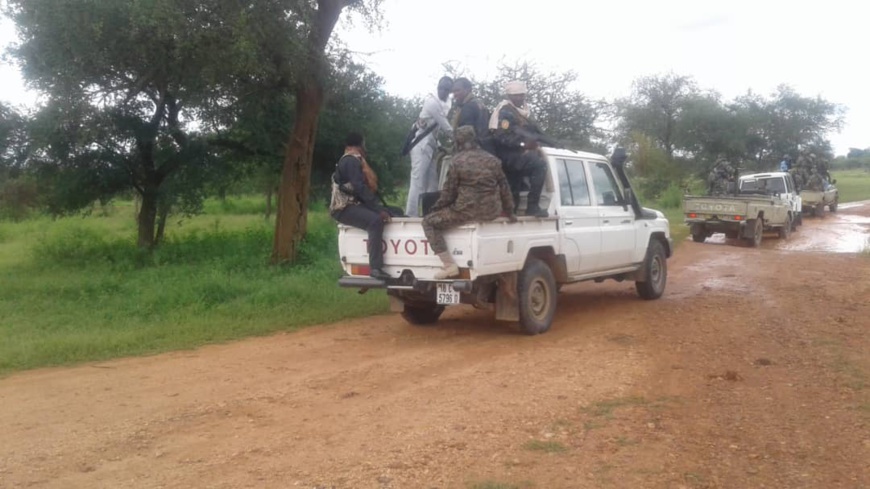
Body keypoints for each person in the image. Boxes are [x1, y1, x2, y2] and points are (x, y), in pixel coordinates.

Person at [423, 126, 517, 279]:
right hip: (491, 212)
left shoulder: (457, 162)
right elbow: (505, 189)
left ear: (458, 142)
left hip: (465, 212)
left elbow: (449, 192)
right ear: (474, 139)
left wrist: (435, 208)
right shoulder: (493, 160)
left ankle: (449, 265)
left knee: (428, 222)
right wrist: (511, 213)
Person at [329, 132, 392, 281]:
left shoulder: (353, 160)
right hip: (343, 208)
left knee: (395, 212)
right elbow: (359, 188)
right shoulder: (351, 161)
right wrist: (377, 209)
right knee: (375, 221)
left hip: (351, 205)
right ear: (360, 144)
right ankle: (375, 268)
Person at [489, 80, 550, 218]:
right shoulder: (506, 111)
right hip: (507, 156)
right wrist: (523, 145)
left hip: (516, 156)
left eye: (521, 95)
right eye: (516, 95)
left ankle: (512, 211)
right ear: (509, 96)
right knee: (540, 165)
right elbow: (501, 137)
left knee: (514, 190)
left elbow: (533, 132)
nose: (519, 98)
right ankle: (532, 206)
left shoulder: (522, 112)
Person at [405, 76, 455, 217]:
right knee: (417, 180)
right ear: (437, 87)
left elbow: (435, 129)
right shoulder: (432, 102)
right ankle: (411, 214)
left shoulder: (447, 102)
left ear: (449, 91)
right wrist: (459, 139)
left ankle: (430, 213)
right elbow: (445, 126)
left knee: (432, 183)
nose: (443, 91)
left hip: (432, 144)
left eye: (446, 89)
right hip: (420, 144)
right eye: (441, 88)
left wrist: (439, 145)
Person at [450, 77, 495, 155]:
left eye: (457, 90)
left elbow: (465, 136)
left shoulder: (467, 107)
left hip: (474, 152)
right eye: (453, 91)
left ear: (467, 90)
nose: (455, 94)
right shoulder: (480, 104)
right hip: (488, 150)